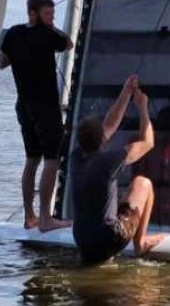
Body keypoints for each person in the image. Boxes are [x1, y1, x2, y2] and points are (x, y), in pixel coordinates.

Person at [0, 0, 74, 232]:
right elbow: (69, 43)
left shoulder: (13, 33)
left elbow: (1, 62)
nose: (51, 18)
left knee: (32, 159)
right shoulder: (49, 34)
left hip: (24, 106)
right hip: (46, 107)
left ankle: (30, 216)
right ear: (33, 13)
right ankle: (45, 219)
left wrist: (19, 57)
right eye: (48, 13)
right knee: (52, 158)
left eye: (53, 13)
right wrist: (51, 28)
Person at [70, 75, 164, 264]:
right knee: (142, 183)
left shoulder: (76, 158)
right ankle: (141, 244)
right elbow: (148, 143)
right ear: (102, 140)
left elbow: (109, 126)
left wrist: (126, 91)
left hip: (82, 240)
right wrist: (143, 108)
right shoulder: (109, 161)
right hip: (108, 239)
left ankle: (104, 258)